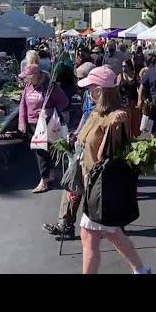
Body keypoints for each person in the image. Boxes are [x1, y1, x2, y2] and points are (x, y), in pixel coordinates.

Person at [76, 66, 152, 274]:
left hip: (102, 186)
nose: (87, 91)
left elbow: (106, 155)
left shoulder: (115, 118)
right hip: (94, 183)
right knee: (113, 233)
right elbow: (85, 140)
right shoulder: (96, 113)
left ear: (101, 90)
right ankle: (141, 270)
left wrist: (112, 128)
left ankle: (141, 270)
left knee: (90, 237)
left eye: (91, 87)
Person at [42, 61, 96, 241]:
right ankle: (65, 224)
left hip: (95, 151)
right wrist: (77, 132)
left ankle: (109, 226)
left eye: (82, 79)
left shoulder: (105, 97)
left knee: (89, 190)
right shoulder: (88, 94)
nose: (78, 83)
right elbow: (85, 116)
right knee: (72, 183)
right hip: (81, 146)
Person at [18, 64, 69, 194]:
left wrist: (49, 110)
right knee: (42, 152)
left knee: (40, 151)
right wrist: (22, 123)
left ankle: (44, 180)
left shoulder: (50, 87)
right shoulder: (28, 87)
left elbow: (64, 102)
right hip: (32, 124)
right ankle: (50, 174)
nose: (25, 80)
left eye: (27, 77)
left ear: (36, 76)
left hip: (46, 124)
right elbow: (23, 105)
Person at [118, 59, 141, 139]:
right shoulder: (120, 76)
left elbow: (140, 88)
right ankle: (128, 138)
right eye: (122, 66)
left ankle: (134, 137)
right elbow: (117, 89)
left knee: (134, 121)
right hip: (124, 103)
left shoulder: (135, 76)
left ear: (129, 66)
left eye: (125, 66)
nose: (123, 68)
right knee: (126, 121)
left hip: (133, 101)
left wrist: (140, 100)